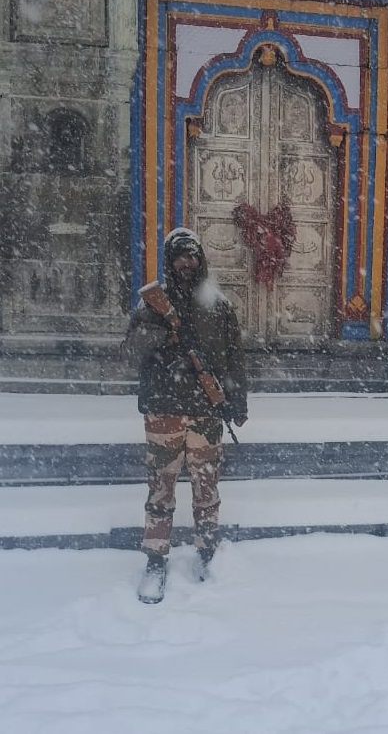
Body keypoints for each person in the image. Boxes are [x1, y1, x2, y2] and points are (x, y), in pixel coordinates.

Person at [124, 227, 248, 603]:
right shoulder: (152, 306)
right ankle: (155, 559)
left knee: (206, 490)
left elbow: (233, 359)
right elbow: (130, 353)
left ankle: (208, 552)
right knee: (160, 491)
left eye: (191, 256)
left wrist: (237, 403)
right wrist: (159, 332)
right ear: (169, 260)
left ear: (200, 259)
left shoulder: (219, 305)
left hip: (206, 414)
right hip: (163, 411)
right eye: (179, 256)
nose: (186, 263)